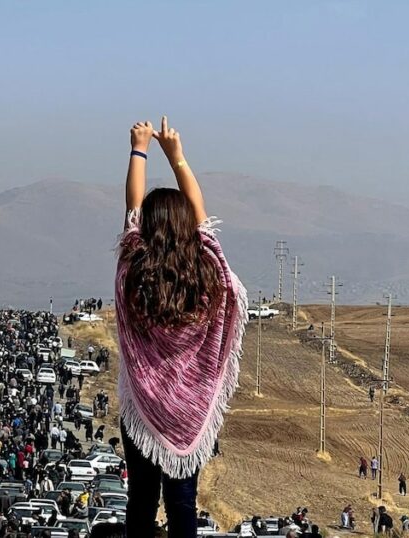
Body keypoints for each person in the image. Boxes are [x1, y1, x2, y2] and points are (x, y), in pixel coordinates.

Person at [115, 117, 247, 537]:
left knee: (141, 501)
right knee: (182, 504)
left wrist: (139, 149)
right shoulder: (210, 272)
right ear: (189, 226)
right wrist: (178, 158)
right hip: (190, 414)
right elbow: (204, 221)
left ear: (149, 229)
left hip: (142, 406)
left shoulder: (133, 271)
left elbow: (132, 210)